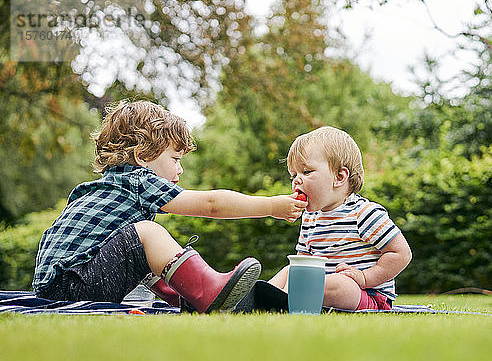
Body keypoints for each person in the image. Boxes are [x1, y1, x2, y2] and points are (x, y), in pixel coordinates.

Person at [33, 100, 307, 313]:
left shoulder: (105, 189)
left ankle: (190, 297)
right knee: (148, 233)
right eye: (175, 158)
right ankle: (208, 290)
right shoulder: (139, 181)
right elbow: (211, 204)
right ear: (142, 156)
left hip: (55, 289)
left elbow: (136, 262)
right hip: (73, 286)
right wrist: (272, 205)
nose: (180, 168)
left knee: (143, 242)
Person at [269, 126, 412, 311]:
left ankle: (284, 301)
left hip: (367, 295)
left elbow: (401, 253)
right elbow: (304, 261)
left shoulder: (364, 213)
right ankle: (260, 296)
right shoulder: (310, 218)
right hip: (319, 290)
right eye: (293, 175)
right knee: (291, 270)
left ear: (339, 177)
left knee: (341, 283)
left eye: (306, 172)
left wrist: (365, 278)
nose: (296, 180)